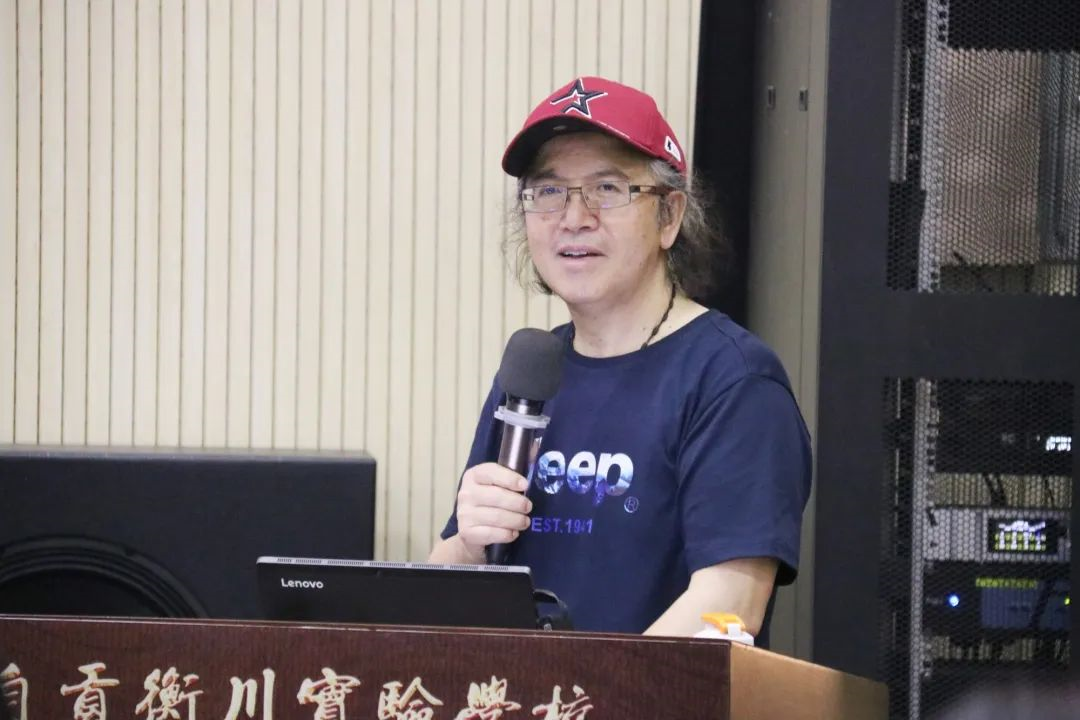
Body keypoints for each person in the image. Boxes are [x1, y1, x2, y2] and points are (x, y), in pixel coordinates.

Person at [429, 76, 811, 639]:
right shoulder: (533, 371)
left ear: (669, 216)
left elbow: (728, 602)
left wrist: (586, 687)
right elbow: (436, 592)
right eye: (548, 192)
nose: (573, 217)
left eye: (606, 189)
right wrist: (467, 542)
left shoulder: (733, 380)